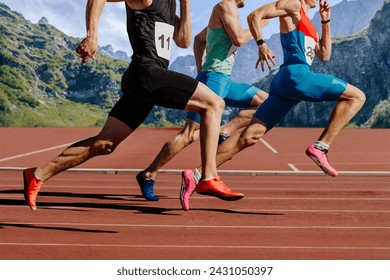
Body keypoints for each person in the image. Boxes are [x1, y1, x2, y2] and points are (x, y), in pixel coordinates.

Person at [23, 0, 231, 211]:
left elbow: (184, 41)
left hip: (145, 82)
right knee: (214, 104)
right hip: (146, 72)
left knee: (104, 144)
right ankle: (208, 176)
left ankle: (37, 174)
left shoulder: (170, 6)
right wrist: (92, 36)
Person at [180, 0, 366, 210]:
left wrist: (326, 21)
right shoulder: (293, 4)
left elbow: (325, 54)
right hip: (297, 76)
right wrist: (261, 44)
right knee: (356, 97)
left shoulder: (309, 22)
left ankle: (196, 174)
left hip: (286, 85)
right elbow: (254, 16)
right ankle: (320, 147)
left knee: (249, 137)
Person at [136, 0, 269, 209]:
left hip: (224, 80)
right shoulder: (224, 6)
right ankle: (148, 174)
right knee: (189, 134)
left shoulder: (230, 12)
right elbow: (239, 38)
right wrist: (258, 26)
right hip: (214, 79)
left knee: (265, 102)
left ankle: (224, 130)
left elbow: (199, 40)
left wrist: (200, 69)